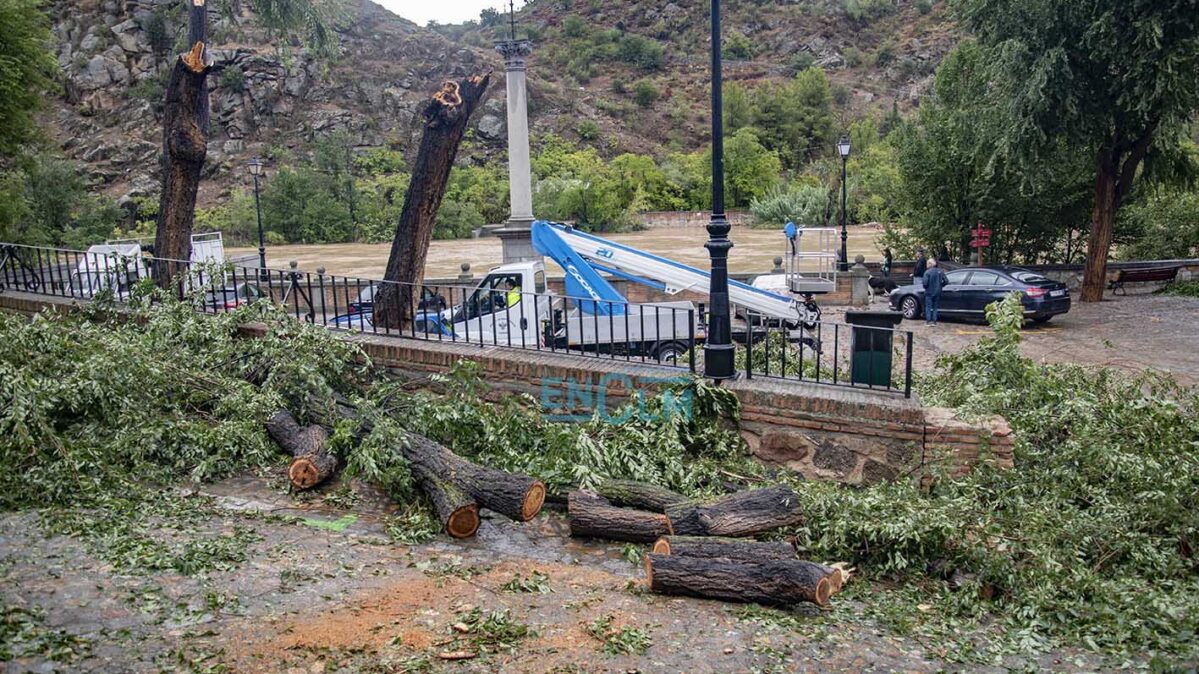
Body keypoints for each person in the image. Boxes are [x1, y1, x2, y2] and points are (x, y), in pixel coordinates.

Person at [922, 258, 948, 326]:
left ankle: (928, 321)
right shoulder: (940, 271)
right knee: (935, 307)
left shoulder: (927, 272)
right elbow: (946, 281)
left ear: (930, 264)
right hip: (938, 291)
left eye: (928, 263)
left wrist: (926, 287)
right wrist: (941, 286)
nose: (927, 265)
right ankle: (934, 322)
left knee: (928, 307)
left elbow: (925, 283)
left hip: (929, 292)